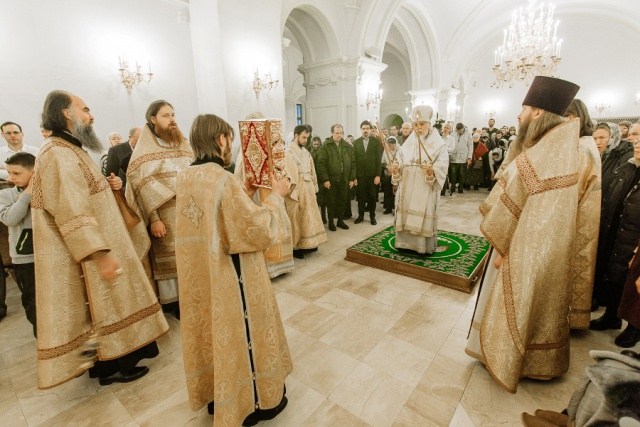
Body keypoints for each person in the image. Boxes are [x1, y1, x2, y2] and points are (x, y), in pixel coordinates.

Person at [33, 90, 168, 389]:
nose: (91, 116)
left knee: (113, 305)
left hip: (101, 245)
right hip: (93, 253)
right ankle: (111, 368)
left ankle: (115, 362)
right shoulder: (57, 153)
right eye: (85, 109)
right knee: (104, 306)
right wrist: (100, 254)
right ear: (66, 114)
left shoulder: (70, 149)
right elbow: (71, 209)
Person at [465, 76, 582, 393]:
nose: (518, 115)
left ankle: (507, 357)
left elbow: (535, 213)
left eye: (524, 108)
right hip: (523, 243)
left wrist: (507, 249)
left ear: (539, 113)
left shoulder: (549, 152)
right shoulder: (551, 147)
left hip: (521, 247)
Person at [175, 114, 292, 427]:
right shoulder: (223, 178)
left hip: (204, 274)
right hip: (233, 274)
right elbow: (254, 230)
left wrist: (246, 190)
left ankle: (219, 396)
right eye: (229, 139)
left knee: (216, 332)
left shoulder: (185, 176)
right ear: (222, 140)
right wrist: (276, 196)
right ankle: (256, 401)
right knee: (242, 328)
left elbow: (219, 216)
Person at [126, 100, 193, 317]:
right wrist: (154, 218)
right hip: (164, 214)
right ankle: (174, 302)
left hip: (191, 211)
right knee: (170, 258)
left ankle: (192, 295)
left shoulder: (182, 143)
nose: (172, 119)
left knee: (190, 253)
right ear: (152, 119)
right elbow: (139, 184)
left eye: (173, 114)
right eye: (165, 115)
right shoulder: (144, 150)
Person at [590, 137, 640, 345]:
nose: (637, 144)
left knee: (633, 283)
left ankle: (634, 327)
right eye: (637, 141)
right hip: (620, 228)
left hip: (635, 235)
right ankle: (612, 316)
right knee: (615, 274)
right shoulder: (629, 167)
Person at [562, 98, 602, 330]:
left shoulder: (581, 148)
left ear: (571, 119)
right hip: (582, 220)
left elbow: (569, 193)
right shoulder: (585, 143)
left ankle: (567, 318)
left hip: (575, 222)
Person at [391, 105, 449, 254]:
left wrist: (432, 170)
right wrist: (396, 168)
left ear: (429, 124)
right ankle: (404, 244)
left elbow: (442, 167)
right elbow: (399, 161)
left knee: (422, 215)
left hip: (425, 187)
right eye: (415, 125)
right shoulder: (407, 144)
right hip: (407, 188)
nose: (418, 128)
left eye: (421, 124)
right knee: (405, 214)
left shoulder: (439, 145)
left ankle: (422, 246)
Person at [0, 152, 37, 335]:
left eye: (16, 173)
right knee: (34, 305)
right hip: (25, 260)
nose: (11, 177)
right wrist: (27, 194)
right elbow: (11, 218)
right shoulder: (6, 194)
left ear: (34, 172)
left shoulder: (48, 190)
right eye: (9, 173)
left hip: (51, 254)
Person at [285, 125, 327, 259]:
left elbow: (312, 170)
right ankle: (295, 247)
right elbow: (290, 175)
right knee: (297, 218)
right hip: (297, 189)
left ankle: (308, 243)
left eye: (307, 138)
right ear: (296, 136)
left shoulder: (306, 152)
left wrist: (314, 189)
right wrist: (294, 193)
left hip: (308, 189)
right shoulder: (288, 153)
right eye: (303, 137)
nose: (305, 141)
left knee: (309, 216)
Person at [316, 124, 355, 231]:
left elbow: (353, 163)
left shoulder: (347, 146)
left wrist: (352, 178)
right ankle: (331, 222)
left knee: (342, 201)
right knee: (331, 202)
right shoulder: (326, 146)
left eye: (341, 133)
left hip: (344, 179)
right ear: (332, 133)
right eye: (337, 133)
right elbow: (321, 165)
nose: (339, 135)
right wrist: (325, 179)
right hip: (331, 180)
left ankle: (340, 221)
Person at [353, 120, 382, 225]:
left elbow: (378, 160)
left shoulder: (375, 142)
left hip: (372, 175)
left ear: (370, 130)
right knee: (360, 197)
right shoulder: (356, 143)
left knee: (372, 197)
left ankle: (372, 217)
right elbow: (354, 161)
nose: (365, 130)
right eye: (363, 128)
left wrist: (378, 175)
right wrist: (354, 177)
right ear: (361, 130)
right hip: (360, 175)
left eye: (367, 128)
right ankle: (360, 216)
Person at [448, 122, 473, 194]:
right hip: (454, 156)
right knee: (453, 173)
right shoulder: (453, 133)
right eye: (457, 130)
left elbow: (470, 146)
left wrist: (469, 157)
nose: (458, 132)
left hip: (463, 157)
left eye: (460, 131)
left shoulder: (468, 134)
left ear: (463, 128)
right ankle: (452, 186)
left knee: (462, 173)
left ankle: (460, 187)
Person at [310, 136, 326, 223]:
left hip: (321, 178)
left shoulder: (323, 153)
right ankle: (317, 218)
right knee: (315, 200)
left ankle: (323, 217)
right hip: (313, 179)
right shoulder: (310, 153)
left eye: (317, 144)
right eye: (314, 144)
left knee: (323, 200)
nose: (316, 146)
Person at [381, 136, 399, 214]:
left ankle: (396, 209)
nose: (392, 147)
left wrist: (395, 168)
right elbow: (383, 161)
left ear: (396, 144)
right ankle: (388, 208)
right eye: (390, 146)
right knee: (388, 191)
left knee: (396, 191)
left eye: (393, 146)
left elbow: (401, 161)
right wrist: (387, 167)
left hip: (397, 173)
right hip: (388, 173)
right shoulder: (386, 150)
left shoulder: (400, 150)